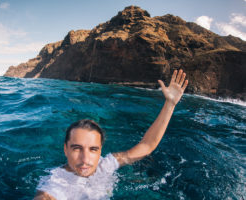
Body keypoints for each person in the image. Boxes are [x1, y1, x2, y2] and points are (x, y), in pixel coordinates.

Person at [34, 69, 189, 200]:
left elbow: (147, 146)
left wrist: (170, 104)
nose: (85, 159)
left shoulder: (105, 165)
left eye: (93, 149)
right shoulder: (55, 183)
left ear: (100, 151)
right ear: (65, 149)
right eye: (76, 148)